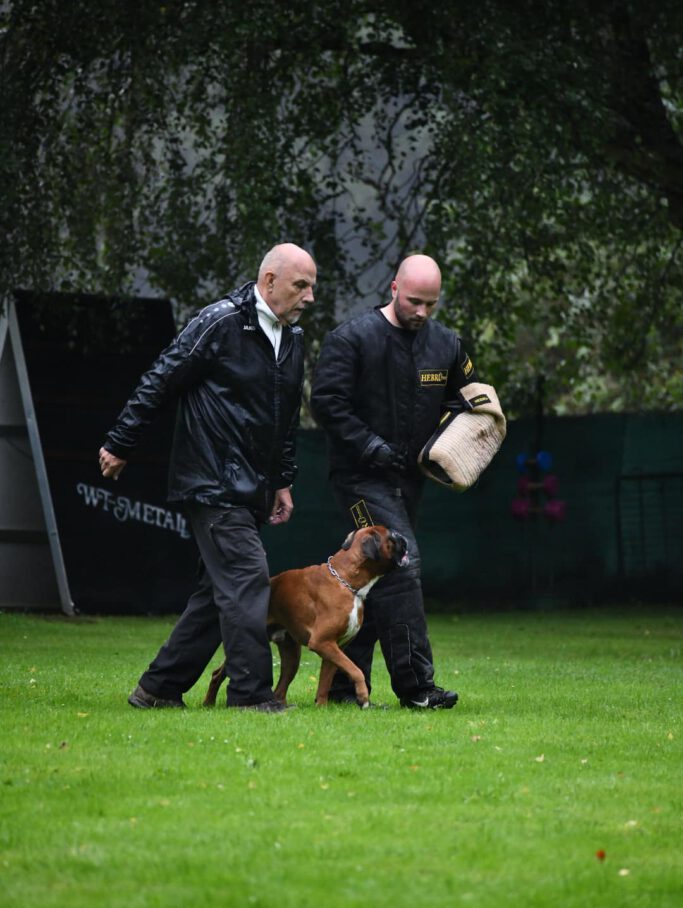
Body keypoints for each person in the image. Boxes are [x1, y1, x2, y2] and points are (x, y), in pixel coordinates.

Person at [99, 242, 317, 712]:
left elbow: (283, 419)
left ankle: (158, 689)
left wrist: (281, 480)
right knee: (247, 577)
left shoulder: (293, 340)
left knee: (217, 594)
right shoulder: (219, 322)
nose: (310, 297)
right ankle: (251, 695)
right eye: (302, 285)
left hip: (251, 486)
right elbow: (162, 378)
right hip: (211, 479)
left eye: (313, 287)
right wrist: (121, 441)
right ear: (269, 282)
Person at [310, 253, 476, 709]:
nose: (422, 312)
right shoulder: (352, 339)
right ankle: (418, 687)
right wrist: (370, 446)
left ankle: (345, 689)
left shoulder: (446, 345)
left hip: (411, 479)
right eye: (415, 301)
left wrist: (464, 440)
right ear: (394, 288)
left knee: (376, 577)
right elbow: (326, 403)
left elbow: (471, 400)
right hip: (358, 477)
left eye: (432, 304)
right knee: (400, 560)